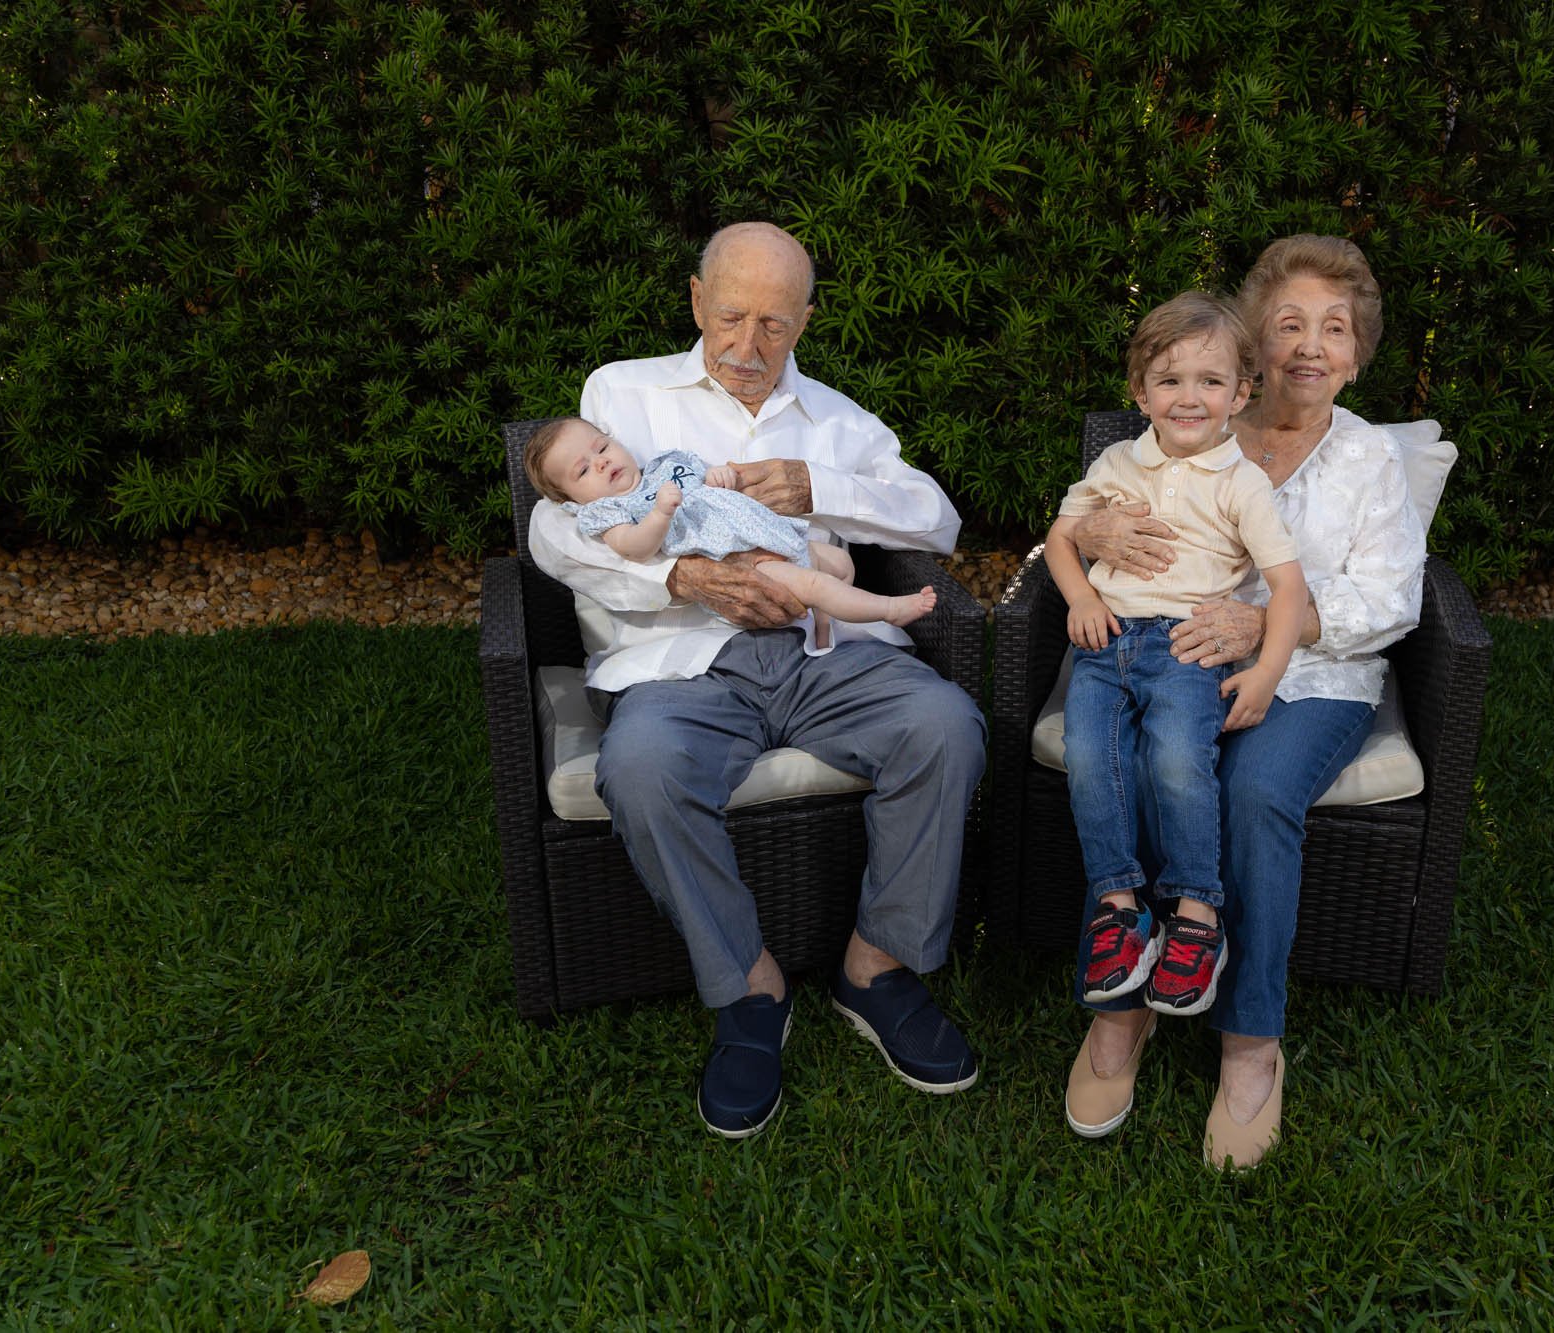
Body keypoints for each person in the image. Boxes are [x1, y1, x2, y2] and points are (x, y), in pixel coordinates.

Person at [530, 221, 985, 1139]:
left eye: (774, 324)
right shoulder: (623, 394)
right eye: (731, 316)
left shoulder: (837, 421)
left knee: (945, 726)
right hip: (680, 663)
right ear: (697, 301)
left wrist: (819, 487)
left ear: (805, 322)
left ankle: (878, 967)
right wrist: (681, 578)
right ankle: (750, 988)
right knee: (643, 769)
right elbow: (553, 530)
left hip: (824, 649)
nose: (747, 346)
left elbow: (938, 521)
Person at [1061, 235, 1428, 1170]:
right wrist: (1092, 533)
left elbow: (1393, 600)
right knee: (1139, 755)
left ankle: (1251, 1036)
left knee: (1256, 790)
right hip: (1171, 654)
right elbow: (1067, 538)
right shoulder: (1190, 423)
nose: (1310, 346)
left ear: (1357, 353)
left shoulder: (1370, 459)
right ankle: (1124, 1006)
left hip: (1313, 674)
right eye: (1290, 324)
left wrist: (1268, 631)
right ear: (1254, 343)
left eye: (1334, 330)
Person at [1042, 292, 1307, 1030]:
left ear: (1240, 394)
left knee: (1178, 762)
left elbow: (1288, 586)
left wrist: (1266, 671)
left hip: (1187, 647)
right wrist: (1079, 598)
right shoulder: (1116, 462)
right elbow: (1061, 537)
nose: (1189, 397)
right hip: (1105, 643)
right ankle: (1119, 908)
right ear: (1140, 392)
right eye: (1169, 380)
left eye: (1210, 381)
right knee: (1089, 756)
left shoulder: (1241, 481)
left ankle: (1197, 913)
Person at [521, 417, 938, 649]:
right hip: (742, 559)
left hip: (775, 532)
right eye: (582, 470)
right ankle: (888, 609)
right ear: (570, 500)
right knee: (813, 584)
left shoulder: (664, 467)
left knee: (841, 564)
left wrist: (719, 477)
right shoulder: (611, 512)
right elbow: (634, 548)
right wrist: (660, 515)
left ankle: (824, 630)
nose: (600, 462)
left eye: (602, 447)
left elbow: (706, 481)